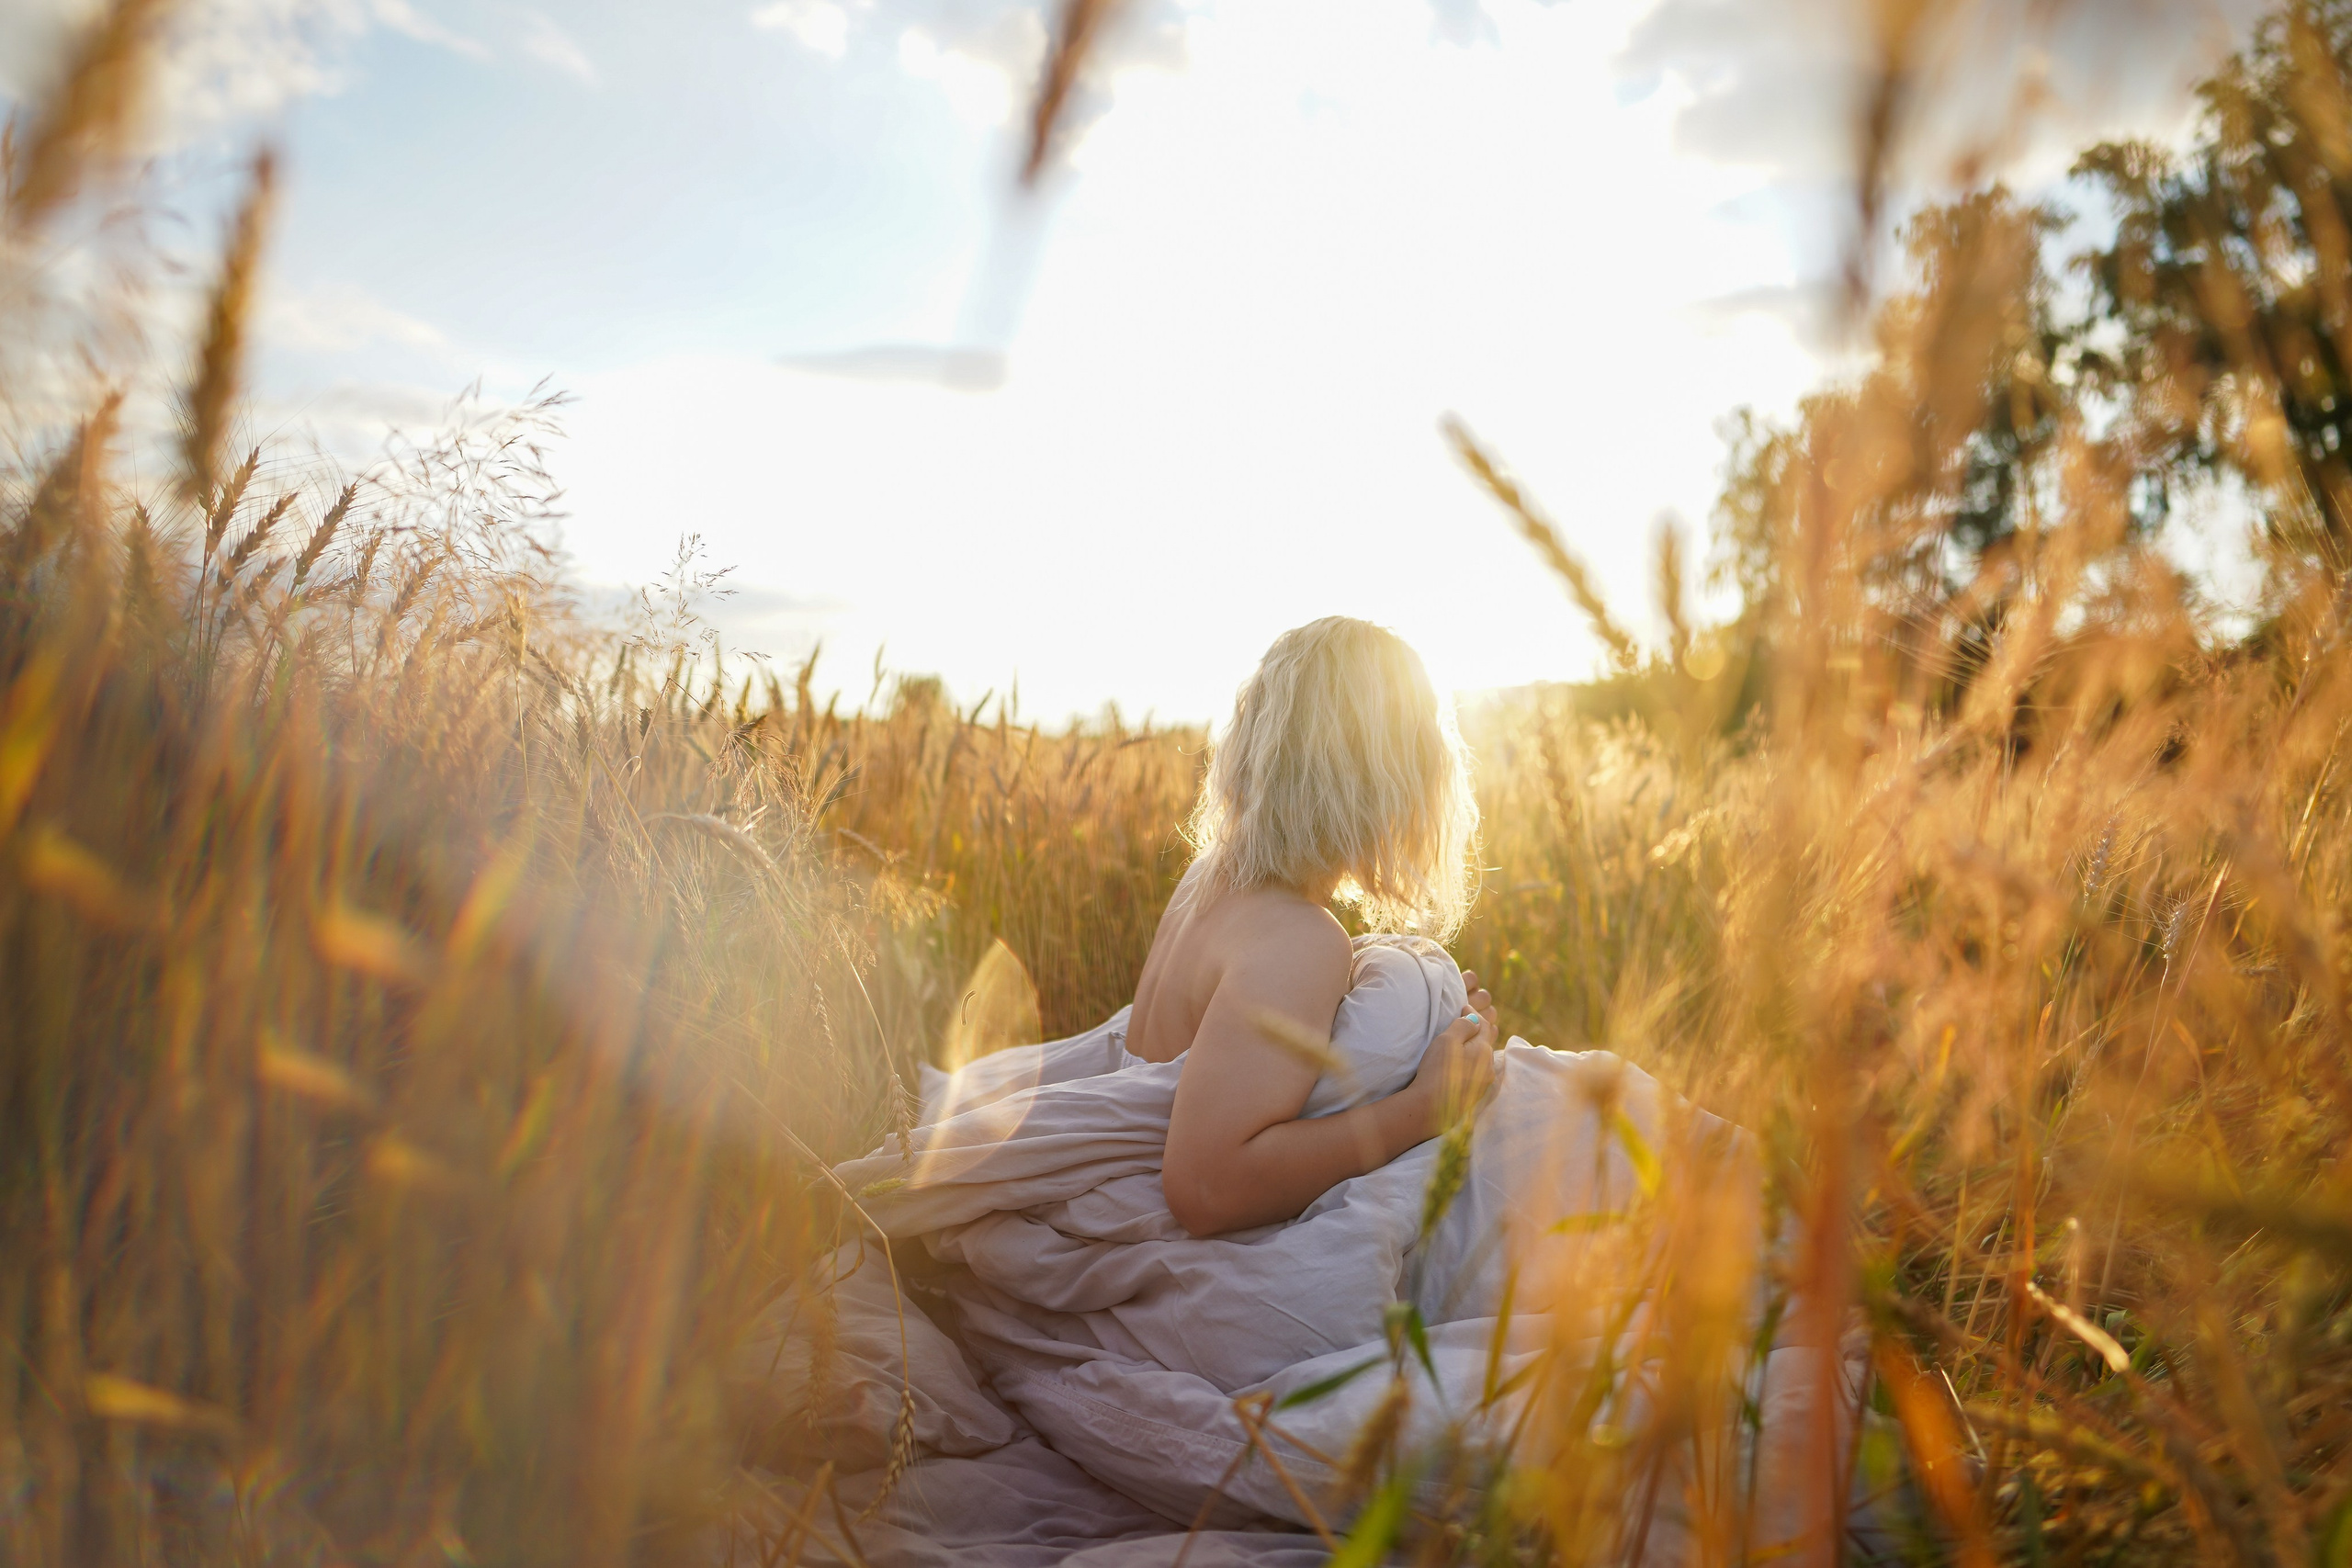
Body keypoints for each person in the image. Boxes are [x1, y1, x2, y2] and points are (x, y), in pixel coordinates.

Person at [1124, 616, 1502, 1238]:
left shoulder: (1212, 874)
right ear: (1386, 778)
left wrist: (1446, 1031)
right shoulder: (1298, 938)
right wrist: (1425, 1107)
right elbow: (1205, 1187)